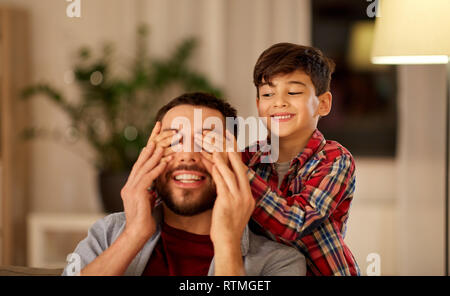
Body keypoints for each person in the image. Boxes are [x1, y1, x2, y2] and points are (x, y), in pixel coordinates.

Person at [62, 92, 306, 276]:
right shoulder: (107, 234)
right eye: (173, 141)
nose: (188, 155)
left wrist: (227, 245)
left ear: (233, 161)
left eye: (207, 141)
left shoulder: (279, 263)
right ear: (150, 157)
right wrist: (133, 234)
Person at [241, 43, 359, 275]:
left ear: (323, 104)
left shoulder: (335, 159)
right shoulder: (247, 158)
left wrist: (237, 170)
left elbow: (295, 222)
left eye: (293, 92)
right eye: (268, 94)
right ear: (258, 105)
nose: (279, 102)